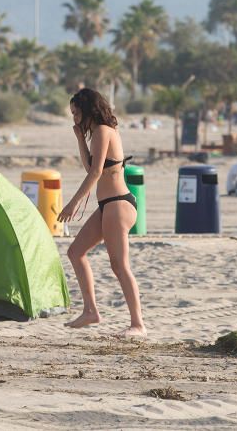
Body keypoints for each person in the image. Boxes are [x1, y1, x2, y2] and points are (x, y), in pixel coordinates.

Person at [57, 88, 147, 338]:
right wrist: (78, 139)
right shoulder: (96, 133)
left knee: (119, 265)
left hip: (119, 204)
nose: (74, 118)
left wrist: (73, 203)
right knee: (75, 252)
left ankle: (138, 324)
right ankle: (90, 311)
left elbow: (95, 173)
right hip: (108, 205)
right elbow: (90, 166)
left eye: (76, 113)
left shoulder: (103, 131)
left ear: (88, 110)